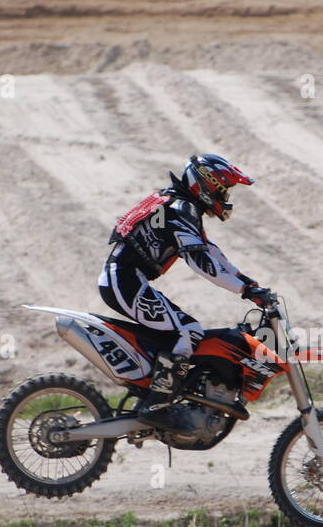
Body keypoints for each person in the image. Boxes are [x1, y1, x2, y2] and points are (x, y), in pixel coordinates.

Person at [99, 154, 272, 430]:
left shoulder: (180, 206)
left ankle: (160, 393)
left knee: (179, 331)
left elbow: (210, 252)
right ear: (207, 184)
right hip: (125, 281)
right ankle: (155, 405)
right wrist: (244, 290)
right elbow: (201, 263)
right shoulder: (180, 209)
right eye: (222, 189)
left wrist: (248, 282)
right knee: (188, 330)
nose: (224, 196)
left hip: (125, 279)